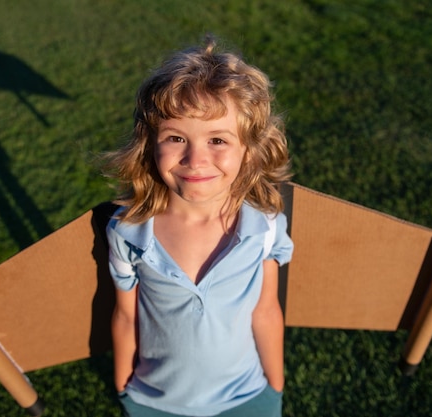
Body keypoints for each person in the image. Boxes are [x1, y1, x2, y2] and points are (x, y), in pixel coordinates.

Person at [105, 36, 294, 417]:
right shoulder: (127, 231)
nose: (195, 159)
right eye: (176, 138)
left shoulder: (266, 227)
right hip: (152, 402)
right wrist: (123, 384)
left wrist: (275, 387)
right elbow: (126, 316)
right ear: (149, 145)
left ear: (250, 151)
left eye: (218, 140)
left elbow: (266, 311)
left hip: (247, 398)